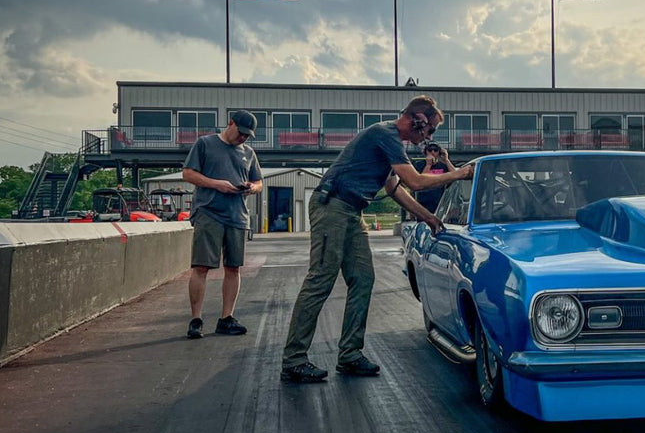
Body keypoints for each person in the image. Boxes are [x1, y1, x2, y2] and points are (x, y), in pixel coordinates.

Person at [281, 95, 475, 383]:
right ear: (416, 120)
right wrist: (459, 173)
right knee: (320, 279)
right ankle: (294, 360)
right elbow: (415, 182)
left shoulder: (389, 142)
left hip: (352, 211)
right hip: (333, 207)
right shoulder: (385, 134)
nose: (429, 137)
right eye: (429, 130)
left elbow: (395, 189)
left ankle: (349, 354)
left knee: (363, 278)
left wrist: (430, 218)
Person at [181, 110, 263, 339]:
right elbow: (187, 174)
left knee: (233, 267)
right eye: (242, 133)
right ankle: (196, 320)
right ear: (231, 124)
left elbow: (259, 182)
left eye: (248, 135)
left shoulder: (248, 152)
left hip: (237, 215)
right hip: (209, 212)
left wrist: (251, 187)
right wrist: (217, 184)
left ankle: (227, 318)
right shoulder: (205, 144)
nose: (244, 138)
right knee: (201, 267)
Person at [415, 141, 455, 214]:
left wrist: (446, 160)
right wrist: (428, 165)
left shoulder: (443, 166)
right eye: (430, 150)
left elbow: (455, 175)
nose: (432, 152)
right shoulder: (419, 165)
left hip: (439, 201)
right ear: (426, 152)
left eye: (435, 150)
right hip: (424, 202)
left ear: (439, 152)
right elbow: (420, 181)